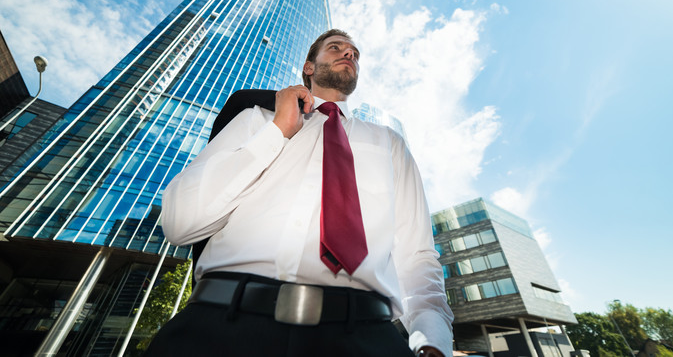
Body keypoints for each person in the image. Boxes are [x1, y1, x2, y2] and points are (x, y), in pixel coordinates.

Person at [149, 29, 453, 356]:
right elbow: (179, 224)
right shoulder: (256, 119)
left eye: (354, 53)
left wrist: (432, 340)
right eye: (336, 47)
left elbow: (417, 255)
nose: (349, 54)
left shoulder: (389, 142)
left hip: (365, 336)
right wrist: (276, 132)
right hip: (218, 327)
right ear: (309, 67)